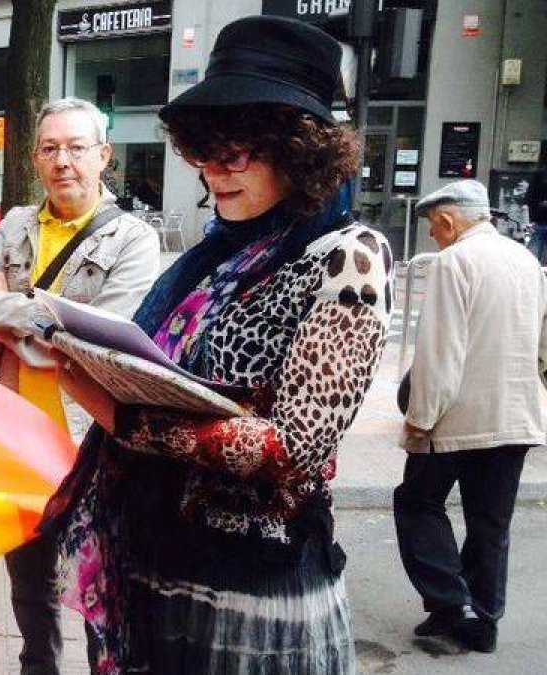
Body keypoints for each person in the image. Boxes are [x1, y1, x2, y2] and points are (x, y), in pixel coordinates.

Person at [41, 17, 394, 673]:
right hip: (155, 559)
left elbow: (294, 446)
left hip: (254, 589)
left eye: (236, 155)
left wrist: (123, 416)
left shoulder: (350, 255)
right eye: (206, 153)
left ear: (299, 151)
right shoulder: (209, 258)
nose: (215, 174)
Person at [0, 97, 159, 675]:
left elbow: (107, 339)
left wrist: (13, 310)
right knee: (31, 590)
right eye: (50, 148)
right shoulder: (19, 223)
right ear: (36, 157)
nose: (61, 161)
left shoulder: (132, 239)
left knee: (101, 592)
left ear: (103, 156)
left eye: (75, 147)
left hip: (91, 445)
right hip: (16, 445)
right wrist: (47, 321)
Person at [393, 179, 547, 654]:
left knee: (416, 502)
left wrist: (420, 418)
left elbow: (440, 351)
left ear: (447, 220)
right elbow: (543, 342)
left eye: (434, 229)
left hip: (456, 418)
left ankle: (448, 605)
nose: (434, 238)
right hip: (516, 414)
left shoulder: (453, 261)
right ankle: (483, 619)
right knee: (490, 522)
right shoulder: (526, 260)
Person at [527, 164, 547, 263]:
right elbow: (530, 197)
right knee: (533, 252)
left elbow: (530, 197)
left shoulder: (539, 174)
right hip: (539, 220)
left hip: (538, 220)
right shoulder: (540, 174)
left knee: (533, 254)